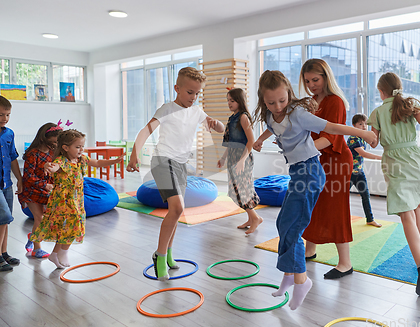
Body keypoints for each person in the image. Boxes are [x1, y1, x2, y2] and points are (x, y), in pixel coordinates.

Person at [253, 70, 376, 310]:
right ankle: (289, 275)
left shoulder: (299, 114)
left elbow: (334, 127)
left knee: (295, 227)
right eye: (271, 102)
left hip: (310, 172)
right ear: (263, 100)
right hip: (296, 173)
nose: (277, 106)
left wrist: (364, 133)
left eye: (282, 100)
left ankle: (301, 280)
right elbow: (273, 126)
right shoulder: (270, 114)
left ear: (289, 93)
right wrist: (260, 139)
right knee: (282, 224)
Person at [126, 67, 224, 281]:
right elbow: (146, 131)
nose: (194, 97)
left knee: (176, 211)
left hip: (180, 165)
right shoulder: (167, 109)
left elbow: (220, 128)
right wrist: (134, 154)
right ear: (177, 88)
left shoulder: (197, 111)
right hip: (163, 161)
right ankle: (159, 257)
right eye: (190, 92)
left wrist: (217, 124)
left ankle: (169, 253)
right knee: (178, 207)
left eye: (198, 93)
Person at [367, 72, 420, 296]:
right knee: (416, 205)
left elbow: (373, 142)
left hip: (394, 161)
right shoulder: (411, 105)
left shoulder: (378, 112)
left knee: (406, 212)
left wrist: (359, 133)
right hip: (415, 159)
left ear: (381, 92)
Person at [31, 129, 123, 269]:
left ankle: (55, 254)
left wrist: (114, 161)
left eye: (82, 146)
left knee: (68, 228)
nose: (81, 150)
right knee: (74, 225)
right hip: (63, 201)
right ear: (65, 148)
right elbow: (54, 167)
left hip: (77, 199)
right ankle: (64, 252)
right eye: (77, 147)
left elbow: (97, 162)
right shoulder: (61, 161)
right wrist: (47, 166)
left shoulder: (81, 159)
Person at [299, 58, 354, 279]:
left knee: (335, 208)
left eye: (315, 79)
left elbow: (330, 138)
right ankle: (310, 249)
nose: (312, 85)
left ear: (326, 77)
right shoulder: (311, 102)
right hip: (317, 159)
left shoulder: (335, 102)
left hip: (336, 160)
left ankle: (345, 263)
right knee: (312, 204)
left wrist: (301, 151)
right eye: (307, 81)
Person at [217, 88, 262, 234]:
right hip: (233, 157)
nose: (229, 103)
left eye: (232, 100)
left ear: (240, 101)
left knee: (242, 189)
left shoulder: (243, 117)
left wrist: (242, 160)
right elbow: (231, 143)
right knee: (235, 190)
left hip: (242, 157)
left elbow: (251, 141)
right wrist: (223, 158)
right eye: (228, 100)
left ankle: (255, 218)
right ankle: (250, 218)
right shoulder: (232, 118)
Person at [19, 122, 62, 258]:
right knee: (40, 218)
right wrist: (45, 185)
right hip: (31, 191)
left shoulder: (51, 153)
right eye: (55, 141)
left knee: (44, 219)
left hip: (45, 191)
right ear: (45, 138)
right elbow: (28, 176)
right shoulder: (33, 154)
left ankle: (33, 236)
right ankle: (37, 249)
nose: (56, 144)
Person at [347, 113, 382, 227]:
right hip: (349, 173)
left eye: (365, 124)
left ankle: (370, 219)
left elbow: (373, 143)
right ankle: (338, 218)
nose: (363, 126)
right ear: (354, 125)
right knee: (342, 197)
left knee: (365, 195)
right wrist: (381, 157)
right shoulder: (353, 138)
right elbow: (363, 154)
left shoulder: (362, 138)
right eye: (360, 124)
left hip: (359, 173)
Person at [0, 96, 23, 271]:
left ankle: (4, 252)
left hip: (6, 183)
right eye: (1, 115)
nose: (5, 119)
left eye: (7, 115)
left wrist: (20, 180)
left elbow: (13, 158)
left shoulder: (9, 133)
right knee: (4, 217)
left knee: (5, 221)